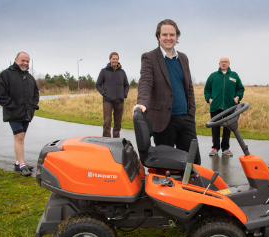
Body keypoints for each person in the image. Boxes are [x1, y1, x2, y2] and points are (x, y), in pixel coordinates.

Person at [132, 19, 201, 165]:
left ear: (177, 37)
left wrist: (191, 112)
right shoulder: (149, 57)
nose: (168, 38)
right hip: (163, 120)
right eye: (164, 34)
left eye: (172, 34)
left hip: (186, 118)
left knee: (193, 163)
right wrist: (142, 103)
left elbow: (189, 87)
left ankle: (191, 188)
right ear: (158, 36)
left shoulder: (183, 58)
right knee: (167, 165)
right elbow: (145, 82)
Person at [0, 51, 39, 176]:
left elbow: (36, 93)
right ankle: (22, 165)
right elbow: (0, 95)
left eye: (27, 61)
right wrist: (12, 106)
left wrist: (33, 106)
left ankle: (17, 162)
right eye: (23, 60)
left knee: (21, 137)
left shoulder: (30, 77)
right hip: (13, 112)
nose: (25, 63)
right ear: (16, 60)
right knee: (19, 137)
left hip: (27, 113)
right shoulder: (6, 75)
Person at [204, 57, 245, 157]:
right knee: (215, 127)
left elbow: (240, 89)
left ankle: (225, 148)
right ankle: (215, 148)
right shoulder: (213, 76)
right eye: (222, 62)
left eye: (225, 62)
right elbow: (207, 90)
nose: (224, 63)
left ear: (229, 64)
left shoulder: (234, 75)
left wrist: (237, 97)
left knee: (228, 128)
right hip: (215, 106)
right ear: (219, 64)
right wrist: (209, 99)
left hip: (229, 107)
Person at [96, 52, 129, 138]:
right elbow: (98, 85)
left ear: (118, 60)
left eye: (116, 59)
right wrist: (104, 93)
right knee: (107, 121)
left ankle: (116, 141)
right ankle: (106, 140)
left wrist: (124, 94)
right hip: (108, 101)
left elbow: (126, 85)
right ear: (110, 59)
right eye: (113, 59)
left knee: (118, 123)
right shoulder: (104, 71)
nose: (115, 60)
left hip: (120, 101)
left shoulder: (122, 72)